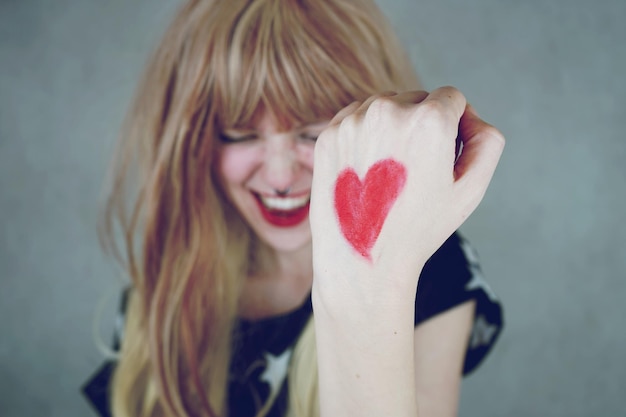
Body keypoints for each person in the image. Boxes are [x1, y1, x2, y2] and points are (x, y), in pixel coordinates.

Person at [82, 0, 505, 416]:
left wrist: (366, 278)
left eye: (312, 132)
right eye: (240, 134)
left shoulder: (434, 272)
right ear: (195, 144)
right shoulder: (166, 283)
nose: (281, 177)